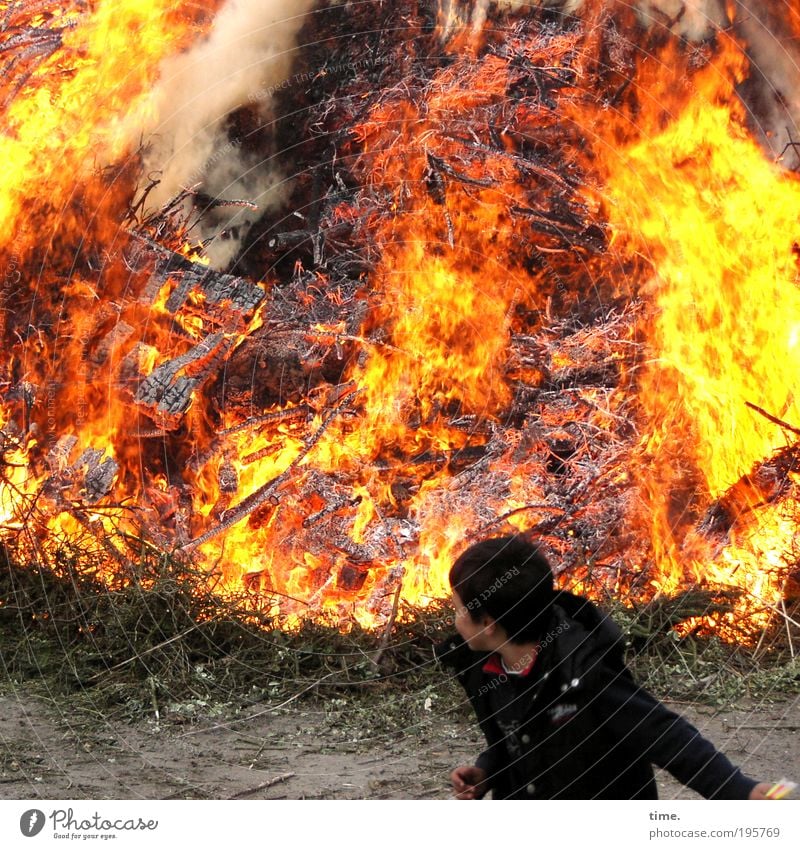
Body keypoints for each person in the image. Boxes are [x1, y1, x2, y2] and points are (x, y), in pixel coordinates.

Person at [436, 535, 775, 800]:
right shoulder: (484, 670)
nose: (455, 621)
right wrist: (487, 770)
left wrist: (737, 791)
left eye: (460, 611)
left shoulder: (585, 671)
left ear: (489, 623)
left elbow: (662, 732)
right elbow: (515, 739)